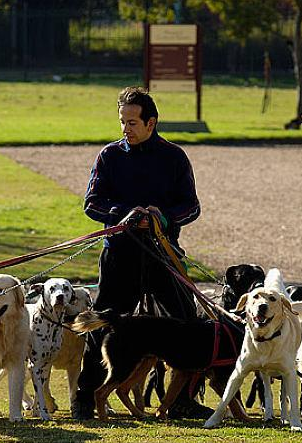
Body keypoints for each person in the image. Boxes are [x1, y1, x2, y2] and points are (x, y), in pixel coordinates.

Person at [71, 86, 211, 420]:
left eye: (133, 122)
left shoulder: (174, 157)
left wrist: (162, 217)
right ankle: (85, 399)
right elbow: (92, 203)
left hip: (164, 256)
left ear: (151, 122)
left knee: (187, 323)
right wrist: (124, 212)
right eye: (123, 121)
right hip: (121, 256)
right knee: (102, 322)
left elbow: (191, 207)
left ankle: (182, 400)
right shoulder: (109, 156)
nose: (125, 128)